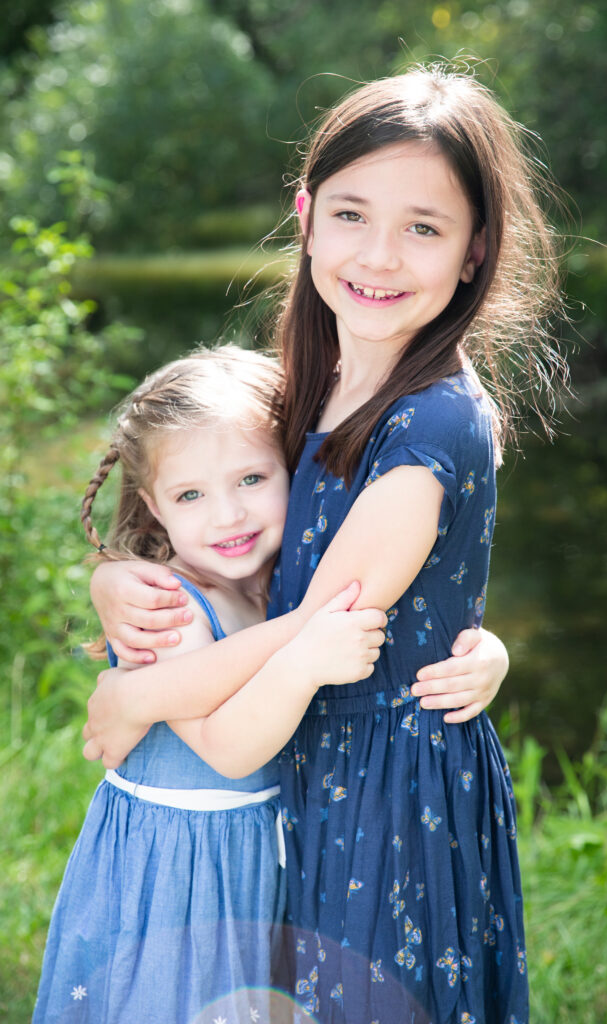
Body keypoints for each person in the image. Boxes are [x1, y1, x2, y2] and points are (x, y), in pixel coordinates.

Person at [84, 62, 565, 1022]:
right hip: (306, 768)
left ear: (476, 249)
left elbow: (320, 621)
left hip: (382, 791)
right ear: (304, 216)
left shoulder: (430, 432)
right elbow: (209, 513)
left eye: (423, 228)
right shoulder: (312, 376)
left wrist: (131, 690)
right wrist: (121, 583)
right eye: (350, 215)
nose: (378, 257)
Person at [33, 346, 387, 1024]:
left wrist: (488, 654)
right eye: (191, 494)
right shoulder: (166, 606)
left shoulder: (284, 584)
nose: (226, 515)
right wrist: (306, 654)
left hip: (251, 858)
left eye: (252, 478)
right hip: (175, 872)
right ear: (154, 508)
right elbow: (230, 751)